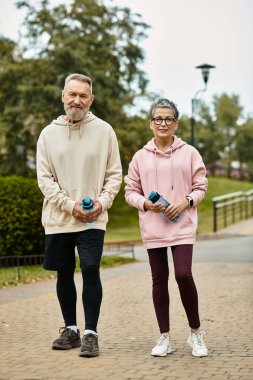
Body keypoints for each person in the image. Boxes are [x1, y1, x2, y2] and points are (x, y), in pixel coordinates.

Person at [36, 73, 122, 357]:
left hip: (93, 218)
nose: (77, 100)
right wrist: (68, 204)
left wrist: (103, 202)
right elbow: (45, 179)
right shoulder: (48, 134)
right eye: (72, 94)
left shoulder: (105, 131)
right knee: (63, 272)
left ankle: (90, 334)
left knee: (90, 269)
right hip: (59, 218)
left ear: (91, 99)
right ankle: (71, 329)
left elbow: (114, 175)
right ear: (63, 96)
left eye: (83, 96)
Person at [124, 98, 208, 358]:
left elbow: (201, 186)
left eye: (168, 119)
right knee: (159, 280)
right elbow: (130, 192)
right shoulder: (140, 157)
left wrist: (186, 202)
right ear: (151, 124)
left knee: (183, 274)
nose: (163, 123)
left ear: (176, 123)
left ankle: (196, 333)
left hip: (182, 225)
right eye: (158, 119)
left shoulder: (190, 152)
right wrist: (146, 205)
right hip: (153, 228)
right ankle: (164, 337)